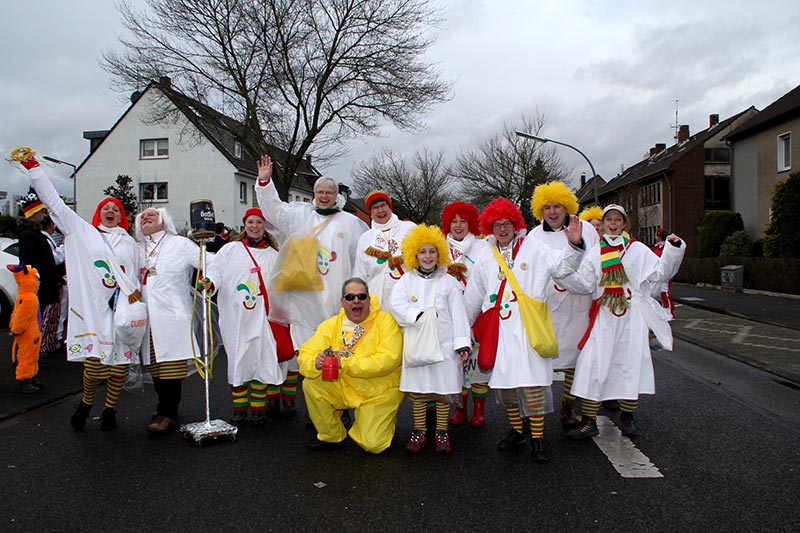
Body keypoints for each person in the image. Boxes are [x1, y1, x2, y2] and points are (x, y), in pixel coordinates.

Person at [463, 197, 584, 462]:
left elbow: (563, 266)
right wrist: (463, 334)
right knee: (506, 386)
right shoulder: (485, 256)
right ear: (490, 227)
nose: (502, 229)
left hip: (529, 330)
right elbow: (472, 297)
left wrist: (575, 245)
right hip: (501, 333)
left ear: (515, 224)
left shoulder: (534, 248)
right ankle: (518, 431)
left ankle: (538, 438)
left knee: (533, 385)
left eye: (507, 223)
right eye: (497, 225)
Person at [26, 161, 141, 431]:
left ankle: (110, 410)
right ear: (98, 214)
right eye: (106, 208)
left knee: (119, 366)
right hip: (93, 311)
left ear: (121, 216)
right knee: (95, 366)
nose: (110, 211)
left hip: (123, 312)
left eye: (116, 209)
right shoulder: (83, 232)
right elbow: (54, 203)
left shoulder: (131, 243)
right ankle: (86, 404)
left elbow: (140, 274)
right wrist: (34, 169)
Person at [255, 155, 368, 416]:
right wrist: (264, 182)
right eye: (320, 192)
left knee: (341, 354)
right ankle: (317, 412)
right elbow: (274, 210)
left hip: (338, 301)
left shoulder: (351, 223)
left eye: (329, 192)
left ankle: (341, 408)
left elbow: (361, 260)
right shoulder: (299, 215)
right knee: (311, 356)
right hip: (305, 301)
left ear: (336, 195)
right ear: (314, 194)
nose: (324, 196)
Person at [568, 205, 685, 439]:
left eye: (617, 219)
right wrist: (561, 274)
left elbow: (661, 272)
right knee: (593, 364)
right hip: (605, 316)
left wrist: (673, 248)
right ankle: (589, 421)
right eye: (608, 219)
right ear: (604, 224)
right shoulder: (595, 252)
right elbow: (584, 283)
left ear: (624, 224)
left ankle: (627, 418)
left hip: (631, 317)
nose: (612, 223)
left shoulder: (637, 249)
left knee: (630, 365)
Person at [297, 277, 404, 454]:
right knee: (311, 384)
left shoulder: (386, 322)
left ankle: (379, 421)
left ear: (368, 299)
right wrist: (315, 362)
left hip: (379, 390)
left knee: (373, 445)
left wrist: (344, 363)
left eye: (361, 296)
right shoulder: (330, 325)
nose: (356, 301)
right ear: (342, 301)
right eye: (350, 297)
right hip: (344, 385)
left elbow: (388, 360)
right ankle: (331, 435)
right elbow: (306, 353)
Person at [391, 224, 471, 453]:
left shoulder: (449, 282)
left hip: (444, 345)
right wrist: (417, 316)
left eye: (432, 251)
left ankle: (441, 432)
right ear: (414, 254)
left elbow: (459, 314)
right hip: (417, 344)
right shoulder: (406, 281)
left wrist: (462, 343)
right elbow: (396, 304)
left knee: (442, 389)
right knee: (418, 390)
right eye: (422, 251)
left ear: (440, 254)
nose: (427, 256)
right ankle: (419, 431)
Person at [204, 208, 287, 425]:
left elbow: (282, 285)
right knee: (238, 360)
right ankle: (239, 408)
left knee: (260, 359)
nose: (254, 226)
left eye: (259, 222)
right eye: (251, 222)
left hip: (263, 318)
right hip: (236, 317)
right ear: (245, 224)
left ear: (264, 226)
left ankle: (258, 408)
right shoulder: (230, 250)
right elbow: (215, 271)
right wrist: (210, 282)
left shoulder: (273, 255)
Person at [530, 182, 599, 430]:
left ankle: (568, 404)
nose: (552, 212)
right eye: (547, 207)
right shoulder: (534, 236)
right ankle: (534, 413)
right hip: (546, 308)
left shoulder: (586, 230)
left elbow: (593, 269)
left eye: (557, 206)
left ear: (566, 206)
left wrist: (565, 277)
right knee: (539, 360)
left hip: (577, 306)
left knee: (575, 358)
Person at [135, 207, 202, 434]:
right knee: (155, 366)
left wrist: (210, 279)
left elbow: (207, 262)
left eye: (151, 214)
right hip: (147, 317)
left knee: (171, 367)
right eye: (142, 216)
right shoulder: (137, 249)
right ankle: (164, 407)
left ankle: (168, 412)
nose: (146, 217)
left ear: (163, 221)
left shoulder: (180, 244)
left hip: (172, 316)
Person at [440, 201, 493, 428]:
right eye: (454, 221)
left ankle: (479, 410)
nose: (458, 226)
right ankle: (460, 408)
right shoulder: (440, 247)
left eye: (463, 221)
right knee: (457, 365)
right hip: (450, 314)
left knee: (477, 367)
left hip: (476, 313)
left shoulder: (483, 247)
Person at [15, 192, 63, 360]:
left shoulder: (34, 234)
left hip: (44, 283)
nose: (44, 214)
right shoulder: (29, 235)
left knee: (44, 318)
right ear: (34, 212)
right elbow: (32, 263)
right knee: (37, 320)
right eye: (42, 211)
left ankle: (42, 348)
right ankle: (34, 353)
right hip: (39, 285)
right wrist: (41, 279)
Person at [355, 190, 416, 311]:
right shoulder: (365, 238)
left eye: (383, 205)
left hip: (408, 296)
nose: (380, 210)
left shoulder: (409, 229)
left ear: (389, 207)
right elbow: (360, 273)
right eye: (375, 208)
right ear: (370, 213)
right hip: (378, 299)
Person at [652, 228, 676, 318]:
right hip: (657, 271)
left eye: (656, 235)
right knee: (656, 293)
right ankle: (660, 310)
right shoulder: (657, 247)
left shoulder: (667, 247)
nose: (655, 237)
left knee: (664, 291)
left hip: (665, 272)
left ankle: (668, 311)